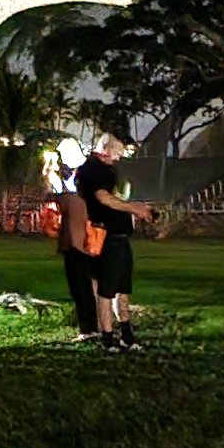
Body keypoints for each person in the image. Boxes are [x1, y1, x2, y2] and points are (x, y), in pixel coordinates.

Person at [79, 132, 153, 353]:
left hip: (120, 237)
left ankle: (126, 334)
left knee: (122, 287)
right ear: (106, 149)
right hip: (105, 237)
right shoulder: (92, 170)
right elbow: (104, 198)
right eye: (118, 153)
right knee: (106, 290)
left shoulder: (108, 171)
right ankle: (108, 337)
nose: (120, 158)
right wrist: (135, 209)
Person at [52, 138, 98, 343]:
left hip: (80, 238)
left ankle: (90, 326)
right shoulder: (71, 176)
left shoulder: (81, 175)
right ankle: (87, 325)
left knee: (83, 284)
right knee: (78, 284)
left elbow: (70, 198)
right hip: (73, 237)